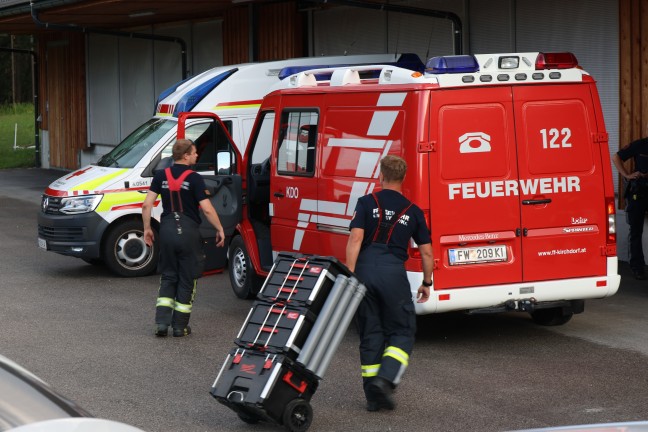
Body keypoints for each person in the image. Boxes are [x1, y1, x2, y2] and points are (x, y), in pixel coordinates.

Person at [345, 155, 434, 412]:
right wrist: (426, 282)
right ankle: (384, 381)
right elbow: (427, 253)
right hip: (393, 274)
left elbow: (355, 239)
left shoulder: (365, 203)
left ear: (381, 176)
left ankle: (372, 396)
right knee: (402, 330)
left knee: (371, 333)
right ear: (403, 179)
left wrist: (351, 273)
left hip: (364, 272)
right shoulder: (413, 211)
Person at [142, 139, 225, 337]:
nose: (197, 156)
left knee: (169, 276)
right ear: (186, 155)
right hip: (188, 232)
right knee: (187, 278)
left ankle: (161, 324)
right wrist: (220, 228)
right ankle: (179, 327)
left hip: (168, 231)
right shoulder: (195, 178)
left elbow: (147, 205)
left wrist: (147, 228)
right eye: (195, 152)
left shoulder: (161, 175)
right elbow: (206, 208)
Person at [613, 138, 648, 280]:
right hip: (639, 192)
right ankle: (637, 267)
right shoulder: (641, 144)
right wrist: (626, 175)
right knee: (635, 231)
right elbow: (616, 157)